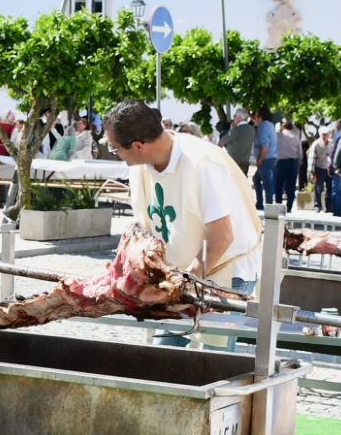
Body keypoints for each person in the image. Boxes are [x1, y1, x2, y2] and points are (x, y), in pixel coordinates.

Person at [104, 101, 262, 292]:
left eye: (115, 149)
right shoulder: (140, 168)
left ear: (138, 146)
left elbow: (222, 237)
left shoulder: (201, 162)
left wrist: (181, 285)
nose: (117, 155)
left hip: (226, 273)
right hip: (183, 275)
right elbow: (145, 231)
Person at [273, 117, 302, 211]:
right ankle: (289, 207)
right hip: (293, 163)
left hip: (281, 162)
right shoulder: (296, 138)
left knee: (279, 185)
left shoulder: (278, 135)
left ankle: (278, 205)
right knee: (291, 186)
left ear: (283, 126)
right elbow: (300, 154)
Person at [251, 108, 278, 207]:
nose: (255, 117)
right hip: (271, 157)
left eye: (256, 115)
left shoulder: (263, 128)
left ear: (260, 117)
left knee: (267, 182)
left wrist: (260, 159)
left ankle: (268, 204)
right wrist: (249, 114)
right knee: (256, 179)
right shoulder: (269, 125)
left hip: (265, 159)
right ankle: (260, 203)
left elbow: (265, 146)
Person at [222, 109, 256, 174]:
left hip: (234, 163)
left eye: (234, 116)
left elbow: (223, 140)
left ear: (239, 117)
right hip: (245, 163)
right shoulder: (252, 129)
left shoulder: (236, 130)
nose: (233, 118)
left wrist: (231, 129)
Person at [309, 128, 331, 212]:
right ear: (320, 134)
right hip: (319, 168)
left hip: (329, 168)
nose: (324, 136)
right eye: (323, 134)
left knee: (329, 189)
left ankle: (329, 206)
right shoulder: (316, 144)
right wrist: (312, 172)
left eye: (326, 134)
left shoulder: (331, 143)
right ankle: (317, 205)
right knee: (318, 188)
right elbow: (312, 158)